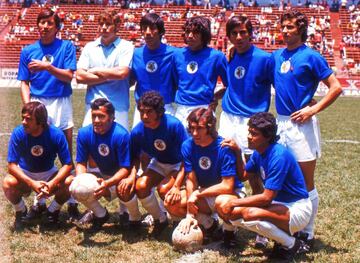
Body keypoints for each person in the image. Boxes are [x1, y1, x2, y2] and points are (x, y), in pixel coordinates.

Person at [271, 9, 342, 249]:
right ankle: (286, 225)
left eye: (290, 27)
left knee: (305, 182)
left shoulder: (311, 56)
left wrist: (313, 109)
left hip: (301, 125)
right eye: (283, 26)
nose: (285, 31)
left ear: (300, 29)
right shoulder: (277, 56)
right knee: (281, 178)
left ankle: (308, 233)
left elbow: (335, 87)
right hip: (280, 124)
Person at [216, 112, 312, 260]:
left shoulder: (278, 155)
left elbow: (266, 198)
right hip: (279, 204)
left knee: (250, 214)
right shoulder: (258, 153)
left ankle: (292, 243)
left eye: (254, 134)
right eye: (249, 132)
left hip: (297, 208)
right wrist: (237, 152)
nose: (249, 136)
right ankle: (283, 238)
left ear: (267, 136)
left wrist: (234, 202)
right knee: (232, 213)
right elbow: (243, 176)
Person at [17, 8, 78, 219]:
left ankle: (71, 201)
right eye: (41, 22)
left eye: (49, 23)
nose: (44, 26)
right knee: (39, 149)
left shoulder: (67, 47)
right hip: (38, 101)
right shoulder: (28, 50)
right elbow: (24, 82)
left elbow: (68, 76)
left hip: (61, 101)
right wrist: (29, 107)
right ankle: (40, 201)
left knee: (66, 152)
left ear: (57, 27)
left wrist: (47, 67)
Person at [220, 15, 273, 248]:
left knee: (254, 176)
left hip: (252, 121)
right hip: (228, 119)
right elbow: (229, 86)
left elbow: (278, 86)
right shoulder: (229, 57)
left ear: (250, 33)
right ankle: (228, 226)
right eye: (234, 33)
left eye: (243, 32)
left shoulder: (264, 59)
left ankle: (261, 227)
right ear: (229, 36)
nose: (239, 37)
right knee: (227, 171)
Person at [167, 107, 245, 248]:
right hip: (205, 191)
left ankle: (229, 234)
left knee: (223, 203)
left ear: (210, 128)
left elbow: (227, 186)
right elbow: (191, 179)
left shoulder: (224, 147)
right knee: (172, 203)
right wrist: (190, 213)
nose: (195, 133)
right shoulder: (187, 145)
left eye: (200, 128)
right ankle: (210, 226)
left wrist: (198, 193)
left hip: (230, 193)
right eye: (191, 128)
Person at [69, 98, 142, 230]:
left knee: (123, 188)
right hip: (101, 173)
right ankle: (100, 214)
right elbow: (81, 163)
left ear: (112, 117)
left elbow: (125, 168)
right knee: (77, 186)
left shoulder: (121, 135)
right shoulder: (84, 133)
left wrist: (107, 184)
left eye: (101, 116)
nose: (96, 120)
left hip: (121, 175)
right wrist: (81, 181)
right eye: (94, 116)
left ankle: (135, 218)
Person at [3, 102, 72, 228]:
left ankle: (52, 211)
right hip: (25, 173)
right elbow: (11, 165)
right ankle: (21, 211)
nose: (24, 122)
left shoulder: (56, 134)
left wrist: (52, 183)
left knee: (70, 181)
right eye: (23, 118)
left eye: (28, 119)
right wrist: (31, 183)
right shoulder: (18, 133)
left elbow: (68, 165)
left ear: (40, 121)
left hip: (48, 173)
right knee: (8, 183)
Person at [130, 91, 188, 237]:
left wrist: (176, 185)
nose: (144, 116)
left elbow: (188, 158)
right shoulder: (138, 131)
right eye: (142, 112)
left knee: (164, 189)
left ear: (159, 111)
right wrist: (131, 176)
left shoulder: (174, 125)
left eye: (149, 112)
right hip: (159, 163)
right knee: (140, 186)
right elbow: (134, 156)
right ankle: (160, 219)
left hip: (179, 164)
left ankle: (177, 220)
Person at [76, 9, 134, 131]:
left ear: (117, 26)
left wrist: (95, 70)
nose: (103, 28)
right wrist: (111, 75)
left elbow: (122, 73)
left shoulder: (126, 47)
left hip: (118, 106)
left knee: (119, 146)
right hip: (93, 106)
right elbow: (80, 77)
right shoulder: (89, 47)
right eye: (101, 24)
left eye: (108, 24)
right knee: (90, 145)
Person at [173, 16, 228, 127]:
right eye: (188, 31)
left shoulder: (217, 56)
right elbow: (175, 82)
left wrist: (215, 97)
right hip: (180, 110)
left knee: (203, 144)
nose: (190, 36)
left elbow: (230, 85)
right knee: (181, 144)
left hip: (204, 108)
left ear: (204, 35)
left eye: (195, 32)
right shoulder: (177, 55)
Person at [131, 13, 178, 127]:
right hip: (142, 110)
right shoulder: (135, 54)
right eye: (144, 28)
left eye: (152, 28)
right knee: (139, 143)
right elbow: (130, 80)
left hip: (165, 108)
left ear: (161, 31)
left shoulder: (174, 54)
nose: (147, 32)